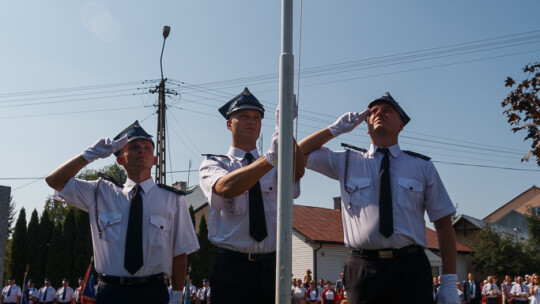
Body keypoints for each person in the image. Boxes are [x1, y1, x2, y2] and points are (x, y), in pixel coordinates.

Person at [298, 92, 459, 304]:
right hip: (363, 267)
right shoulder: (346, 161)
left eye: (388, 110)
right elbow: (296, 153)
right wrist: (334, 129)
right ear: (365, 126)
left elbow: (444, 224)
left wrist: (448, 281)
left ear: (401, 124)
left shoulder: (422, 167)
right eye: (373, 111)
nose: (379, 113)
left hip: (410, 267)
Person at [45, 120, 199, 304]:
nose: (142, 150)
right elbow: (55, 181)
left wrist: (176, 295)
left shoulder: (173, 200)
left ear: (155, 159)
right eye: (134, 147)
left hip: (153, 292)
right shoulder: (100, 192)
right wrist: (90, 155)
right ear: (120, 160)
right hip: (111, 292)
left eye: (147, 147)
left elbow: (179, 252)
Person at [199, 87, 304, 304]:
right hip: (231, 267)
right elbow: (226, 187)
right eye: (244, 116)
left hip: (272, 265)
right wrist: (269, 160)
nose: (251, 121)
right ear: (229, 124)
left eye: (257, 117)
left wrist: (285, 127)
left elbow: (297, 171)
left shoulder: (274, 163)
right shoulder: (216, 163)